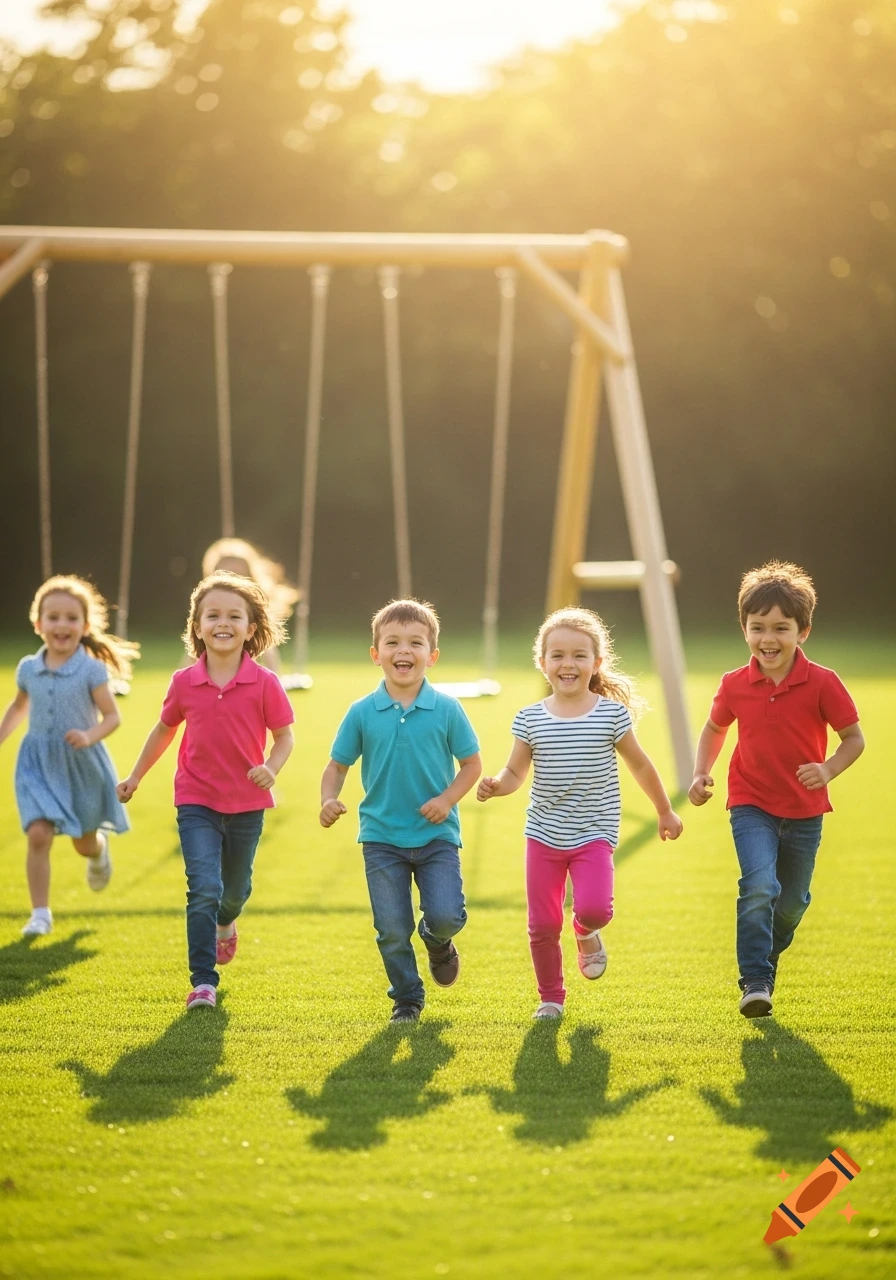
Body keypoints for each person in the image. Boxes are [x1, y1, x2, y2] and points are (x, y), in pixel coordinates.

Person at [477, 606, 683, 1020]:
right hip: (543, 834)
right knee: (542, 925)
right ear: (542, 663)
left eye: (578, 655)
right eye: (557, 655)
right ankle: (551, 997)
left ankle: (586, 931)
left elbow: (640, 765)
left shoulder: (610, 715)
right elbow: (517, 770)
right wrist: (499, 785)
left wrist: (665, 811)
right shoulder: (530, 718)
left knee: (593, 909)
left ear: (596, 663)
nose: (567, 664)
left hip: (594, 833)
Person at [689, 562, 864, 1018]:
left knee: (790, 904)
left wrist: (827, 770)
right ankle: (755, 981)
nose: (768, 638)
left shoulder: (823, 682)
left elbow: (854, 739)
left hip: (805, 810)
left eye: (781, 628)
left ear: (803, 631)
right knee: (760, 885)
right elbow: (713, 727)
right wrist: (701, 772)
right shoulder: (734, 684)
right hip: (751, 803)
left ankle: (767, 952)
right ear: (744, 629)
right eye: (757, 627)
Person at [116, 572, 295, 1010]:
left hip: (247, 804)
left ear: (251, 629)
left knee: (233, 892)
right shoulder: (183, 682)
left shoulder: (265, 683)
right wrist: (135, 776)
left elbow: (285, 736)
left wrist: (271, 768)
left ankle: (226, 925)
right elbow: (163, 730)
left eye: (235, 616)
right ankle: (203, 981)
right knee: (203, 888)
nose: (223, 623)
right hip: (195, 798)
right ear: (197, 626)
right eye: (212, 614)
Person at [320, 599, 481, 1025]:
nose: (403, 651)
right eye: (392, 642)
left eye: (415, 642)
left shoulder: (447, 709)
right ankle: (407, 998)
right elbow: (337, 766)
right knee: (391, 928)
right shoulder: (361, 712)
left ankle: (437, 940)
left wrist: (446, 800)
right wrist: (328, 799)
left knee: (447, 915)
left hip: (436, 836)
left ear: (432, 655)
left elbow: (473, 766)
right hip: (381, 838)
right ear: (376, 654)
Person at [0, 575, 139, 937]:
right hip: (38, 763)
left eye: (72, 618)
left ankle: (98, 852)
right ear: (38, 623)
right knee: (38, 835)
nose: (62, 625)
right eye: (54, 617)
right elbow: (18, 707)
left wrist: (88, 734)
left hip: (81, 765)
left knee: (83, 842)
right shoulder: (28, 668)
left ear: (85, 625)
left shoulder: (91, 670)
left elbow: (112, 717)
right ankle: (40, 914)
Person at [201, 537, 299, 675]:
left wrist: (273, 683)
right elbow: (192, 656)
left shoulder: (253, 613)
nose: (231, 584)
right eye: (225, 577)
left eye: (238, 576)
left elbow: (268, 654)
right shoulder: (206, 610)